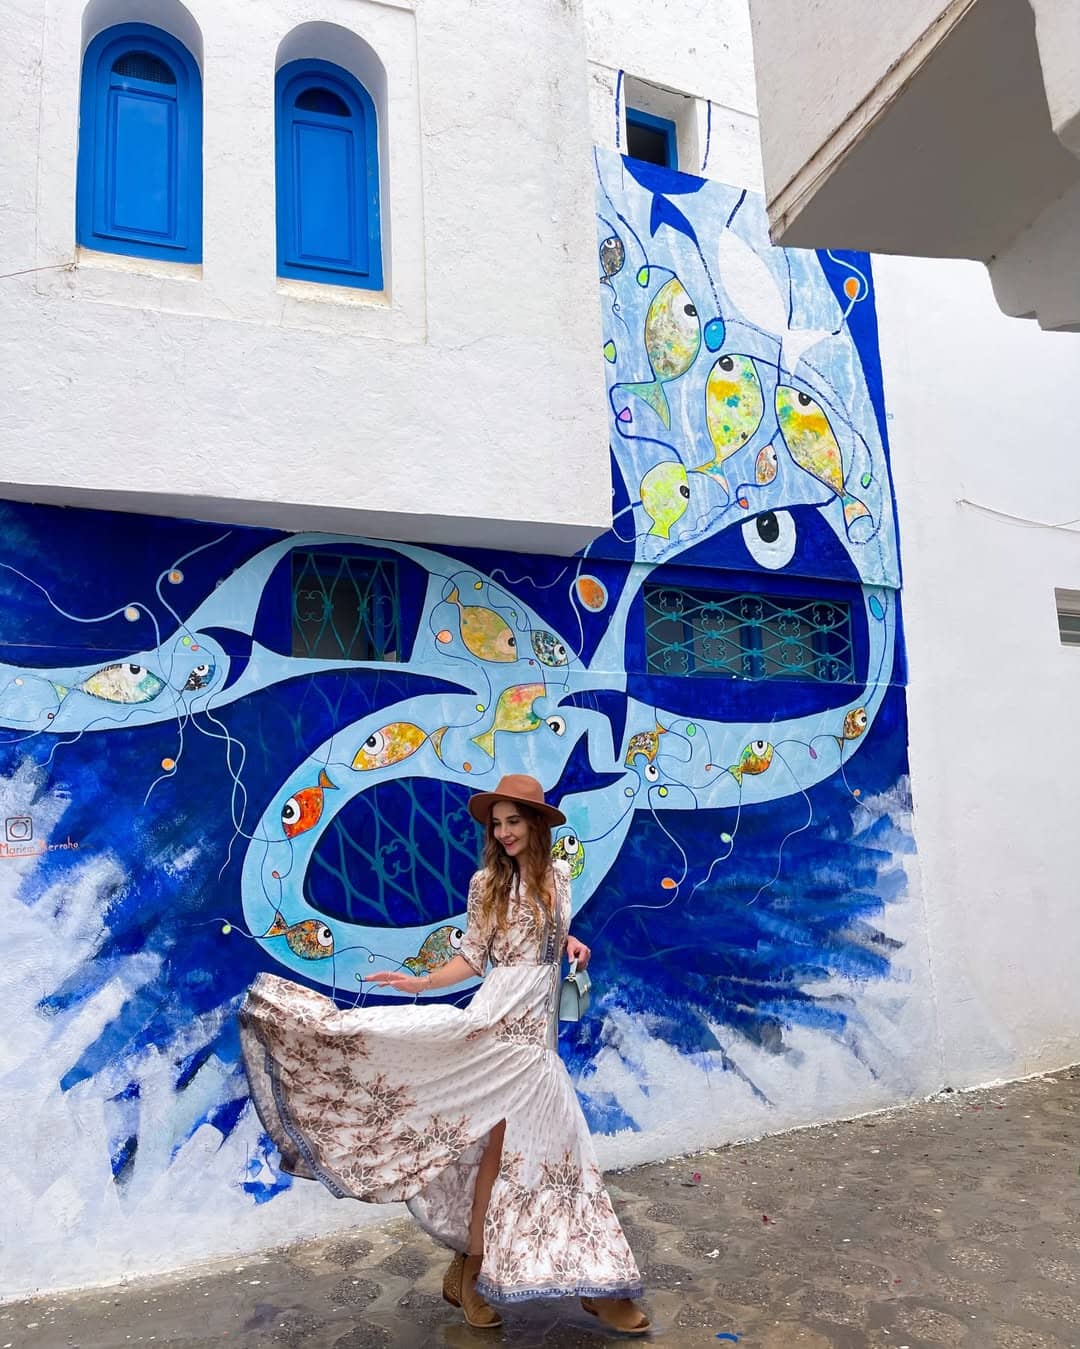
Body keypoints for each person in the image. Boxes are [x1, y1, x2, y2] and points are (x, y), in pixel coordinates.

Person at [239, 773, 649, 1335]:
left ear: (536, 823)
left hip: (538, 1034)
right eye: (496, 824)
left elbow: (547, 941)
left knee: (538, 1151)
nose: (503, 833)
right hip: (500, 1027)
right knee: (517, 1149)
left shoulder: (559, 877)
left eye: (513, 821)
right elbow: (476, 959)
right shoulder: (486, 885)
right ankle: (564, 1280)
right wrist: (420, 982)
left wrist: (571, 945)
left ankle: (525, 1273)